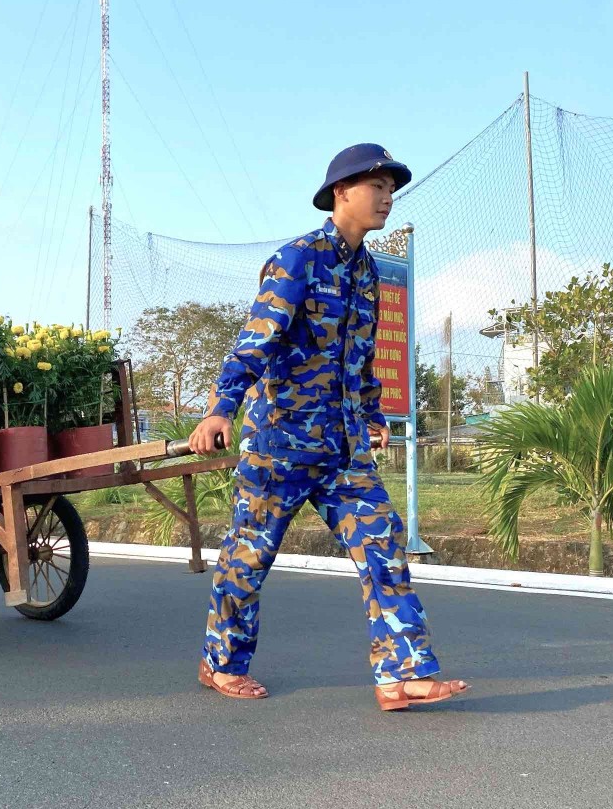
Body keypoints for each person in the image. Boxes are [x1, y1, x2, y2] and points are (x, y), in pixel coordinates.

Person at [189, 144, 470, 711]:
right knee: (248, 558)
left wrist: (370, 414)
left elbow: (360, 355)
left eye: (392, 188)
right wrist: (222, 407)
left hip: (342, 452)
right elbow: (256, 341)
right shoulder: (297, 260)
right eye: (377, 187)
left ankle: (402, 675)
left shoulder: (367, 273)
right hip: (281, 447)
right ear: (343, 192)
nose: (388, 197)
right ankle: (220, 663)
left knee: (383, 546)